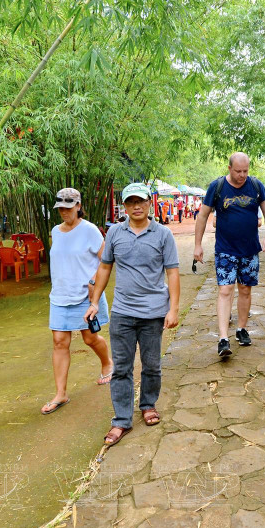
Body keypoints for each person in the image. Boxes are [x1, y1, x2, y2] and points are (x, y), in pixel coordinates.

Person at [85, 183, 180, 446]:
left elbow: (172, 273)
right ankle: (122, 420)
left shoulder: (163, 234)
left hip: (153, 312)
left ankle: (148, 405)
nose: (136, 206)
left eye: (141, 201)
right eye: (131, 202)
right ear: (124, 206)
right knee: (122, 368)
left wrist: (173, 309)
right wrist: (94, 302)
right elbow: (105, 268)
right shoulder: (115, 232)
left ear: (149, 203)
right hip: (123, 312)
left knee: (152, 365)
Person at [193, 152, 265, 359]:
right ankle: (223, 338)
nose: (242, 175)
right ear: (229, 168)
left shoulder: (256, 186)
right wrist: (197, 245)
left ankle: (241, 329)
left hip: (249, 250)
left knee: (245, 290)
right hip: (225, 249)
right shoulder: (217, 187)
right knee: (225, 290)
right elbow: (202, 216)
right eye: (238, 171)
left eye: (245, 171)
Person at [42, 188, 114, 415]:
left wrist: (94, 282)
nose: (64, 212)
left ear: (78, 206)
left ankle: (107, 363)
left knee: (89, 338)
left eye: (68, 207)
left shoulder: (90, 230)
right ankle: (60, 393)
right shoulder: (56, 231)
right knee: (59, 342)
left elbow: (106, 260)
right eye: (60, 208)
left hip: (85, 295)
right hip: (60, 295)